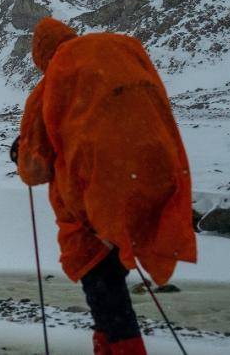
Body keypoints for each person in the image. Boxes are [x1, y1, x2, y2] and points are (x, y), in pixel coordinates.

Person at [12, 18, 195, 355]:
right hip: (136, 191)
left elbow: (34, 169)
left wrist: (19, 152)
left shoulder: (52, 85)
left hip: (88, 210)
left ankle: (123, 349)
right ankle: (109, 347)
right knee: (111, 287)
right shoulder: (109, 63)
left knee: (102, 287)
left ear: (40, 54)